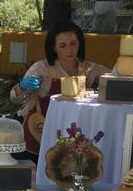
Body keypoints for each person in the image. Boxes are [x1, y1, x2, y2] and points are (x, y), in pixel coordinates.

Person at [10, 21, 110, 160]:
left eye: (73, 43)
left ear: (80, 43)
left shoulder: (89, 69)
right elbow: (15, 99)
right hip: (36, 130)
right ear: (54, 48)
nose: (69, 50)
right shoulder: (41, 69)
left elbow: (115, 78)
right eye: (62, 46)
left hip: (71, 133)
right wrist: (22, 86)